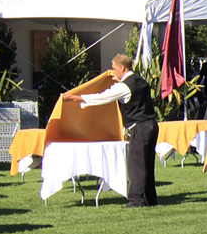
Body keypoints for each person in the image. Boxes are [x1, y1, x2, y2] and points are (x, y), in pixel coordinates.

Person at [62, 53, 159, 207]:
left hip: (139, 127)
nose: (112, 72)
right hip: (151, 124)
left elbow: (104, 97)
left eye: (114, 69)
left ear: (122, 67)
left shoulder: (124, 86)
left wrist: (77, 98)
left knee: (136, 165)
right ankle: (150, 198)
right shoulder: (140, 80)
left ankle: (136, 200)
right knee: (147, 163)